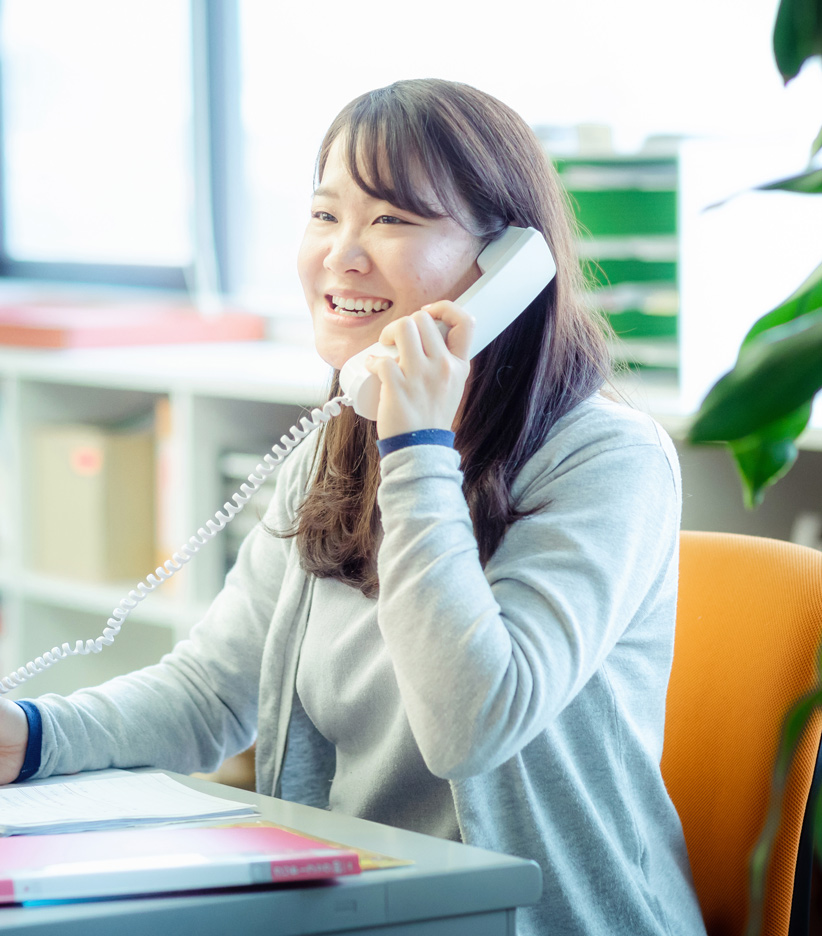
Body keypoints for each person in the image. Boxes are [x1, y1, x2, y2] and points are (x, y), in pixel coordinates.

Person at [0, 79, 706, 935]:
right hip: (365, 908)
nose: (342, 254)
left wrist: (418, 450)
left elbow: (472, 726)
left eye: (393, 220)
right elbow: (208, 693)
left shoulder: (607, 462)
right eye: (326, 214)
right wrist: (30, 735)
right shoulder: (333, 449)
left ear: (507, 270)